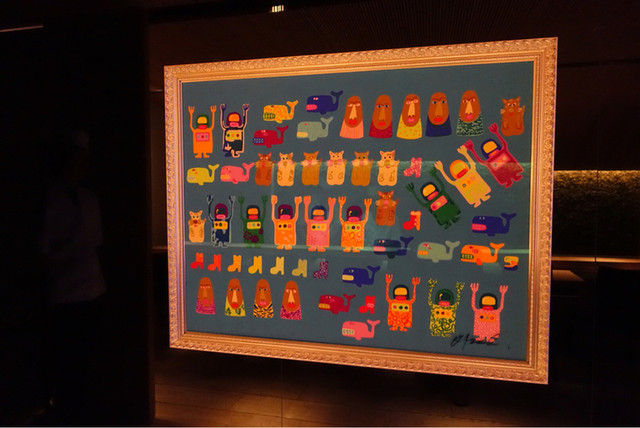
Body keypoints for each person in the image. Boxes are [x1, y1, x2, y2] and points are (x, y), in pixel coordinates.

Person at [39, 129, 107, 424]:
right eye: (74, 158)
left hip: (91, 288)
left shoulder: (88, 199)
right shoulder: (48, 200)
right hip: (63, 292)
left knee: (84, 360)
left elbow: (95, 242)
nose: (78, 165)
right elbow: (43, 248)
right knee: (65, 361)